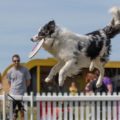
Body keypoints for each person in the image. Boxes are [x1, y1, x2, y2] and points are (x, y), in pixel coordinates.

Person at [7, 54, 31, 120]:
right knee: (13, 114)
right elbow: (9, 82)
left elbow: (28, 81)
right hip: (13, 95)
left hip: (22, 95)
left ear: (19, 61)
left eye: (18, 60)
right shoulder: (9, 71)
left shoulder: (25, 70)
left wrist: (23, 89)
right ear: (12, 61)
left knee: (22, 113)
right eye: (15, 61)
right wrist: (11, 89)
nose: (16, 62)